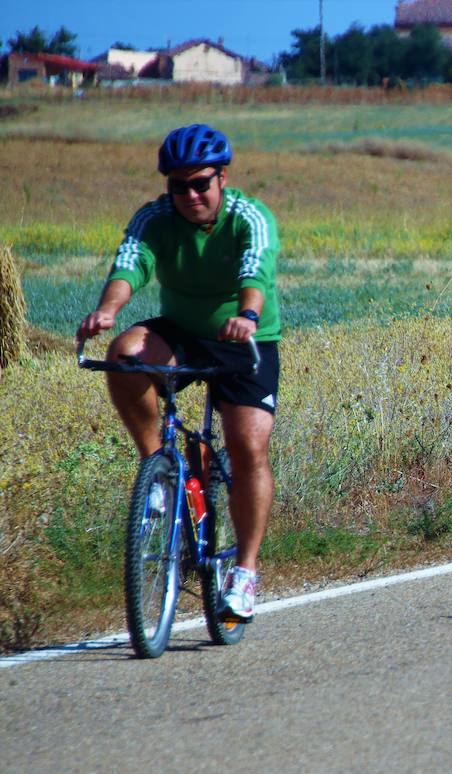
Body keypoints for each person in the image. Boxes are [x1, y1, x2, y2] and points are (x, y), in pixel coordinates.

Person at [76, 124, 281, 622]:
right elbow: (130, 264)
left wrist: (247, 315)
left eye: (200, 184)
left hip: (244, 338)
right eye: (178, 185)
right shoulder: (155, 217)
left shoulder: (249, 217)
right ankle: (160, 473)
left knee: (247, 445)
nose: (189, 195)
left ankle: (246, 573)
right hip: (182, 332)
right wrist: (107, 310)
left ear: (222, 179)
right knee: (125, 354)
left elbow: (257, 269)